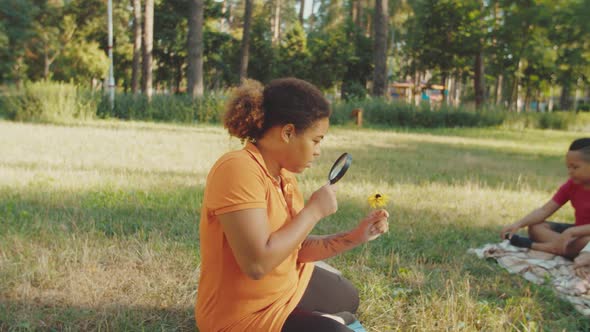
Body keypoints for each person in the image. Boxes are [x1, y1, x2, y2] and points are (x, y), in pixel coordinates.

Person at [195, 78, 390, 332]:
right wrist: (313, 211)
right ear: (287, 133)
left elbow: (295, 249)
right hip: (240, 318)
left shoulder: (283, 176)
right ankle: (325, 322)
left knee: (347, 297)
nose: (318, 151)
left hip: (282, 288)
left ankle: (317, 318)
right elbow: (256, 265)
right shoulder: (237, 169)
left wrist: (354, 236)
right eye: (316, 140)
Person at [500, 138, 590, 258]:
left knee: (586, 242)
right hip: (576, 234)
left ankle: (541, 247)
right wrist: (518, 224)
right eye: (568, 167)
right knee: (536, 227)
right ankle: (564, 248)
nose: (570, 172)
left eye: (575, 167)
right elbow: (544, 210)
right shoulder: (571, 185)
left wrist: (572, 232)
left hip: (584, 235)